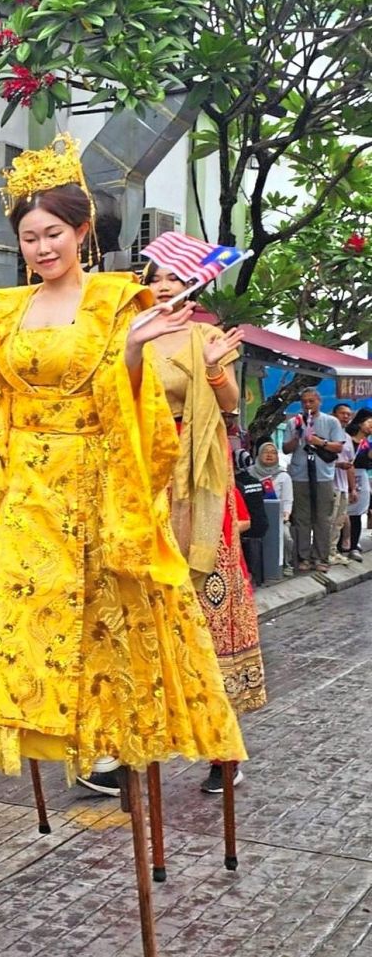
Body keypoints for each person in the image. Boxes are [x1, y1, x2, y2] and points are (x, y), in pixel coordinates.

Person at [0, 134, 246, 789]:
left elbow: (125, 401)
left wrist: (132, 350)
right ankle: (4, 728)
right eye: (30, 237)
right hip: (25, 488)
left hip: (99, 483)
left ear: (81, 232)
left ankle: (115, 742)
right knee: (14, 610)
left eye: (53, 233)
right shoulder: (4, 314)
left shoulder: (115, 303)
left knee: (111, 615)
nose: (42, 247)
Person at [111, 257, 266, 795]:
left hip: (199, 478)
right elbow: (117, 400)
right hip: (144, 478)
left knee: (209, 604)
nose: (162, 287)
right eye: (154, 279)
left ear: (192, 287)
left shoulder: (207, 336)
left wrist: (215, 368)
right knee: (138, 604)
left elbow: (230, 406)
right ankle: (126, 747)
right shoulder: (132, 336)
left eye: (172, 280)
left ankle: (223, 749)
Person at [283, 387, 346, 572]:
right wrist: (297, 436)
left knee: (322, 518)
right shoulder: (294, 422)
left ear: (319, 401)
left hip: (323, 476)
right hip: (300, 475)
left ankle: (320, 557)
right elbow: (286, 449)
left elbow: (338, 447)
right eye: (304, 402)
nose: (308, 405)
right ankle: (303, 557)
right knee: (301, 518)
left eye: (311, 401)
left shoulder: (331, 421)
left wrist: (320, 442)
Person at [248, 440, 293, 572]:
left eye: (273, 452)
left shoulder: (283, 476)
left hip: (278, 517)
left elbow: (288, 500)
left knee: (286, 536)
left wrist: (285, 516)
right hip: (255, 516)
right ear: (259, 454)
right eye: (265, 452)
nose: (269, 455)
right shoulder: (250, 473)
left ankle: (286, 563)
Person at [330, 402, 356, 565]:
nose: (346, 416)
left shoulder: (347, 438)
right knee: (330, 520)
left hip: (343, 485)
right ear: (334, 415)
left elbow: (350, 464)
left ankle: (333, 551)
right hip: (330, 484)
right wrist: (338, 465)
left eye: (348, 414)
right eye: (342, 413)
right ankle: (324, 553)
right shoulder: (326, 435)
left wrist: (353, 488)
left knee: (339, 521)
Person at [345, 407, 372, 561]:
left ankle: (353, 545)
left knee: (356, 514)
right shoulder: (347, 439)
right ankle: (343, 543)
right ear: (360, 423)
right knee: (342, 514)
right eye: (369, 422)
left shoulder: (367, 444)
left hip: (361, 478)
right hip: (344, 476)